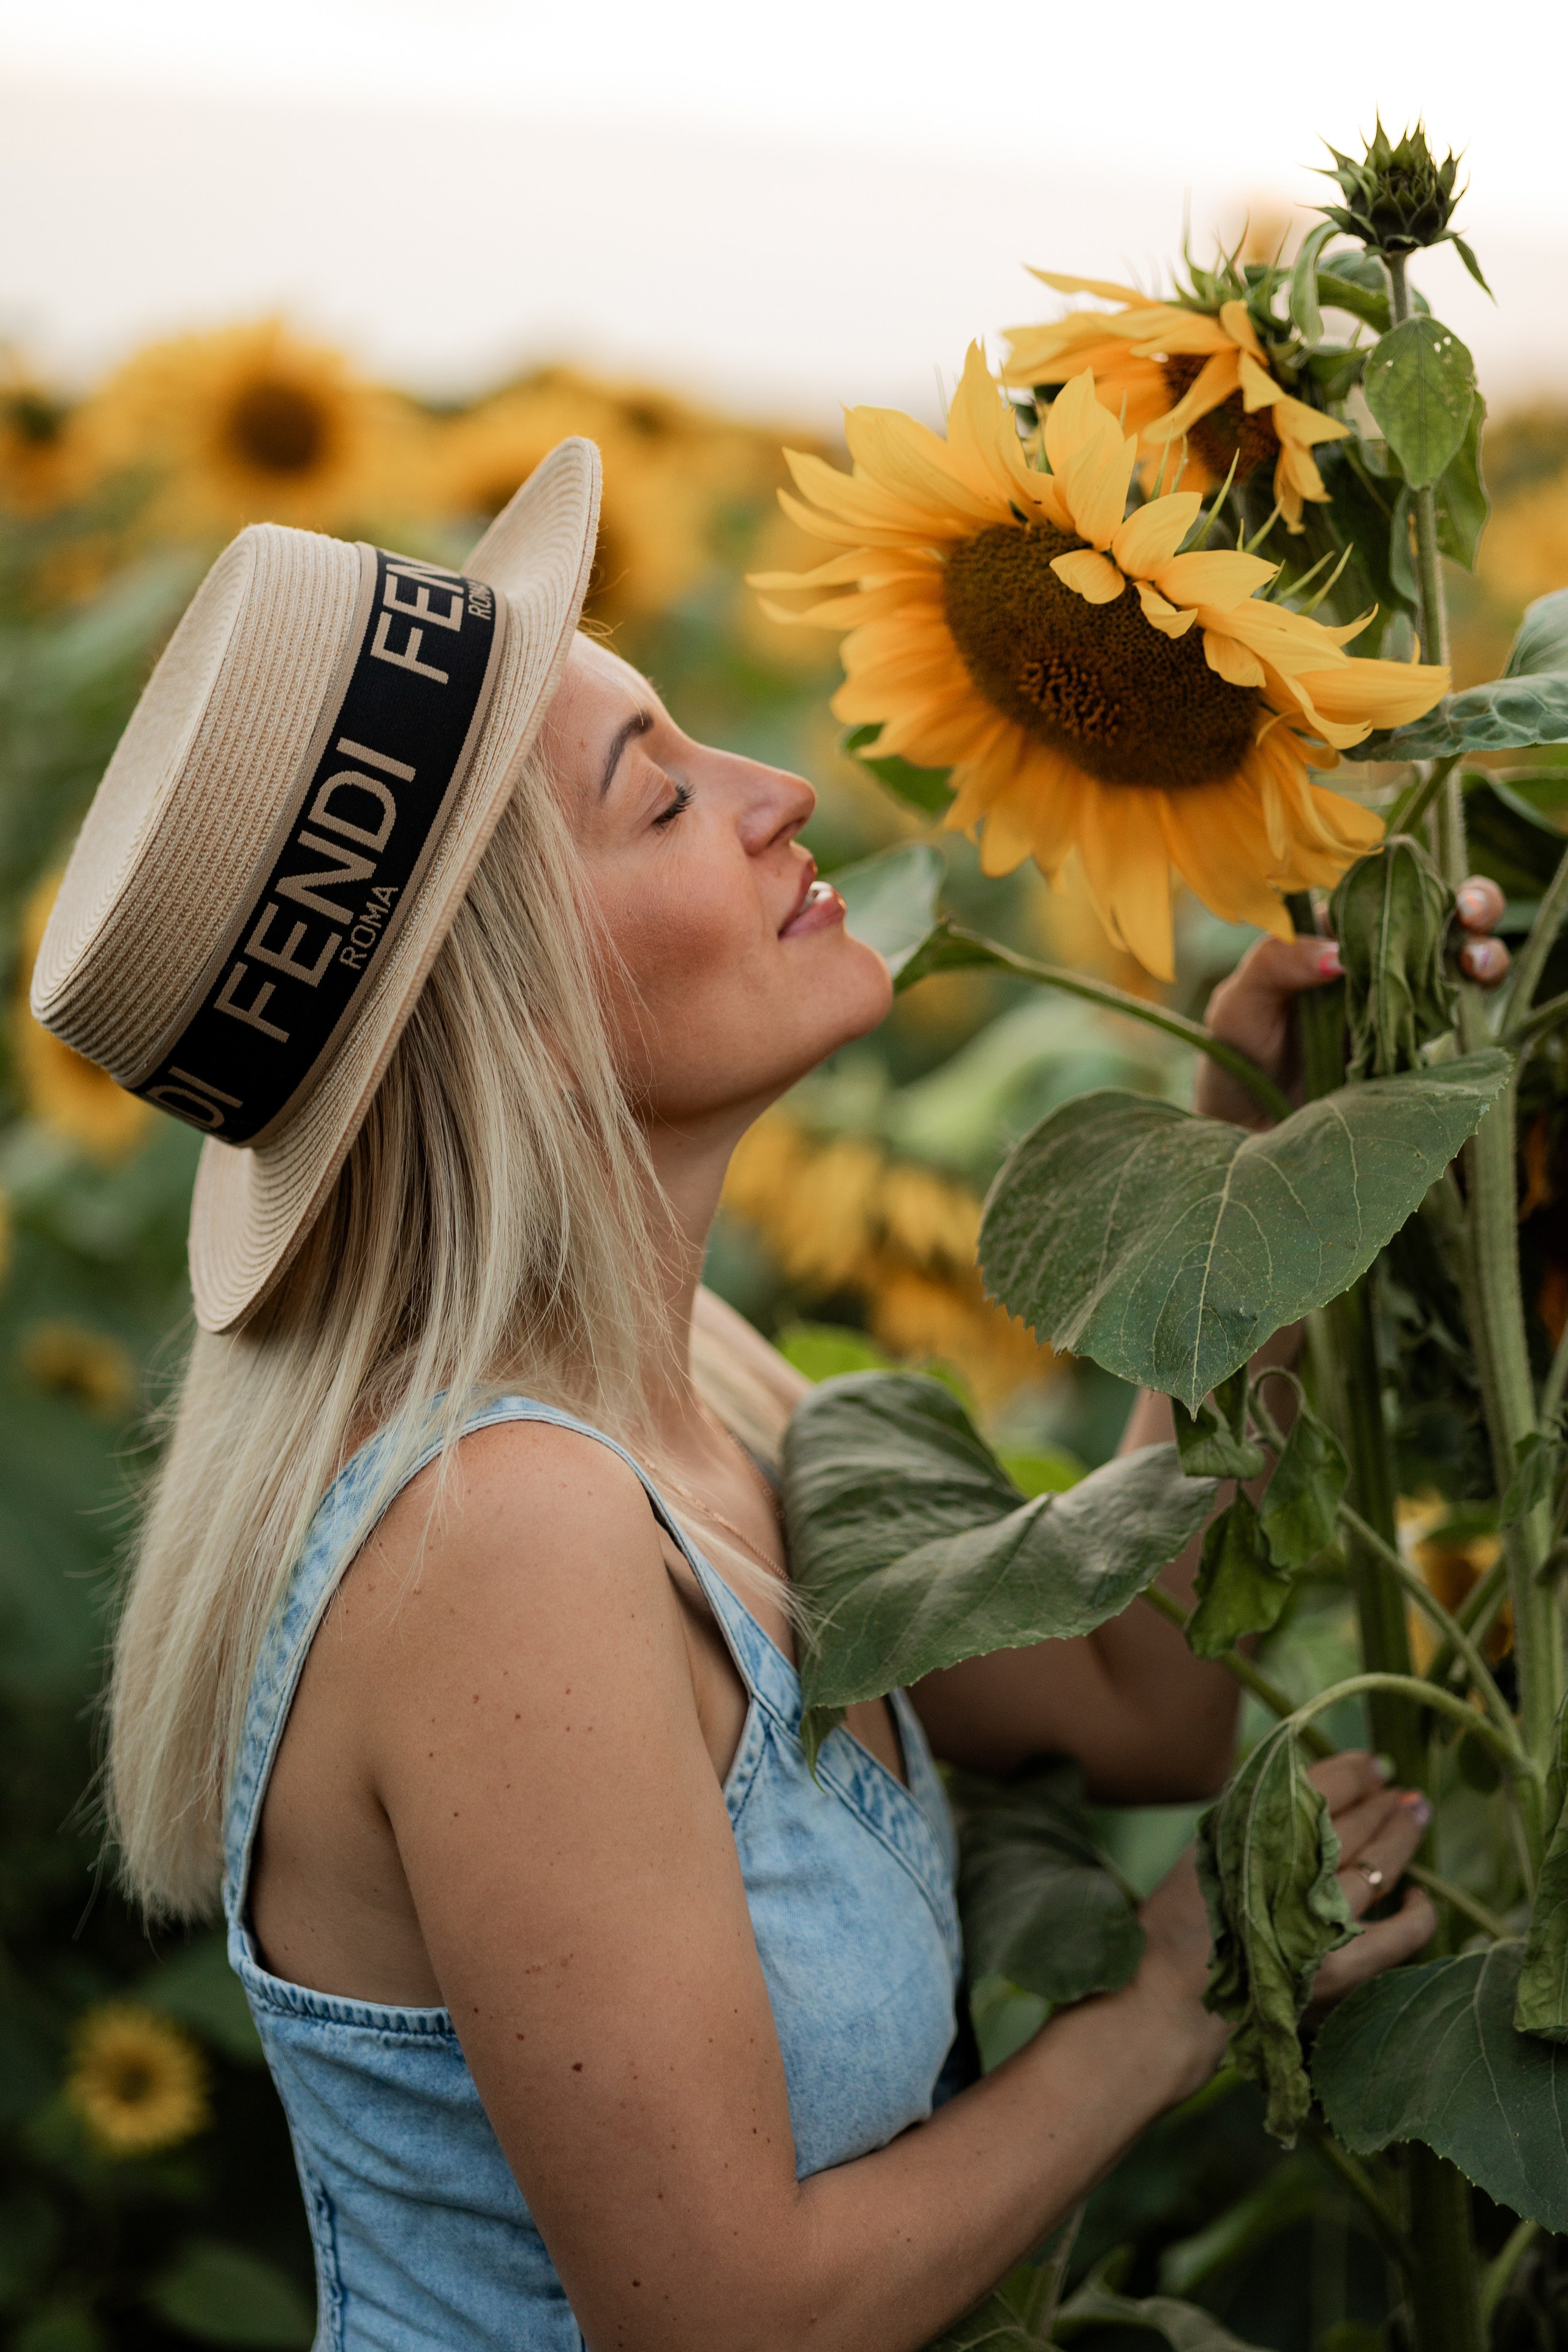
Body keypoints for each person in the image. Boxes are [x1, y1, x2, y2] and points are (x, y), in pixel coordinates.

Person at [36, 441, 1507, 2352]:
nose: (782, 793)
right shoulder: (506, 1539)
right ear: (527, 1017)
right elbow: (728, 2319)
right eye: (659, 799)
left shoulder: (709, 1397)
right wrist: (1170, 2007)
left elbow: (1137, 1702)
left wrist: (1270, 1168)